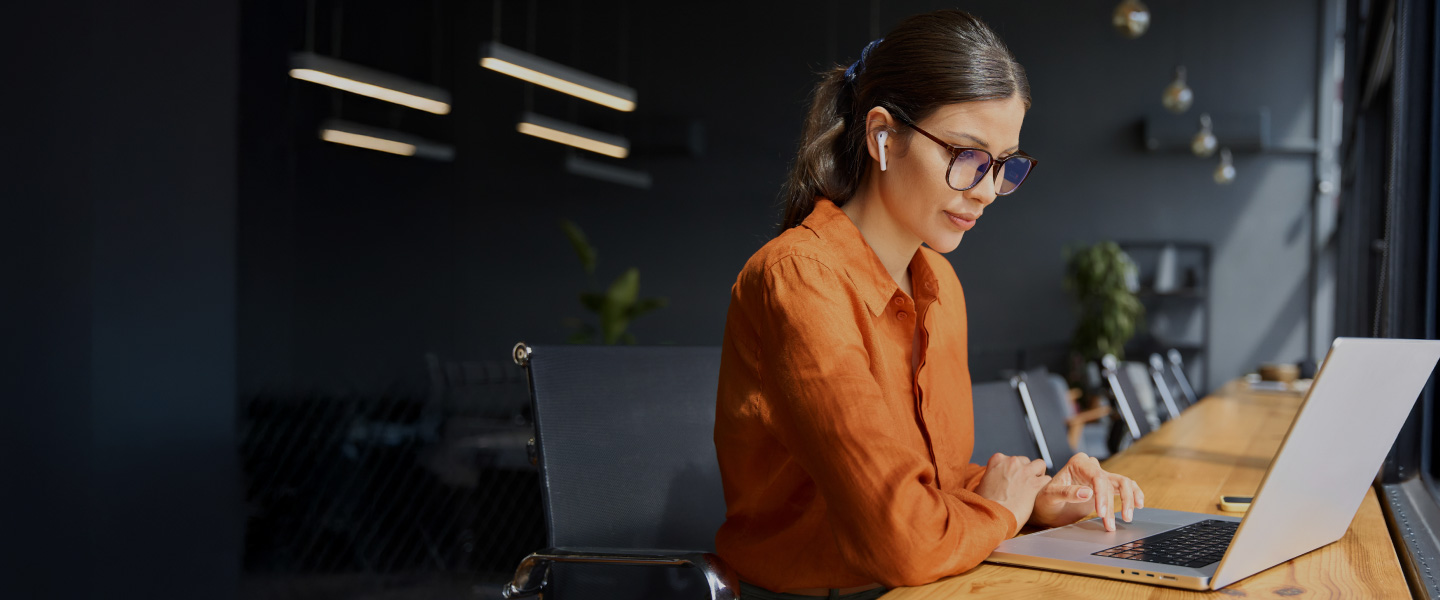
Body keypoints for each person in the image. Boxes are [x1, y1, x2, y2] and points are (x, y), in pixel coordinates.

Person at [713, 9, 1145, 599]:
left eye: (1004, 165)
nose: (989, 190)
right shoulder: (799, 278)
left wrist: (1037, 499)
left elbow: (930, 482)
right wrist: (1003, 513)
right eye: (966, 156)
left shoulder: (938, 282)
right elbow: (901, 539)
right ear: (882, 135)